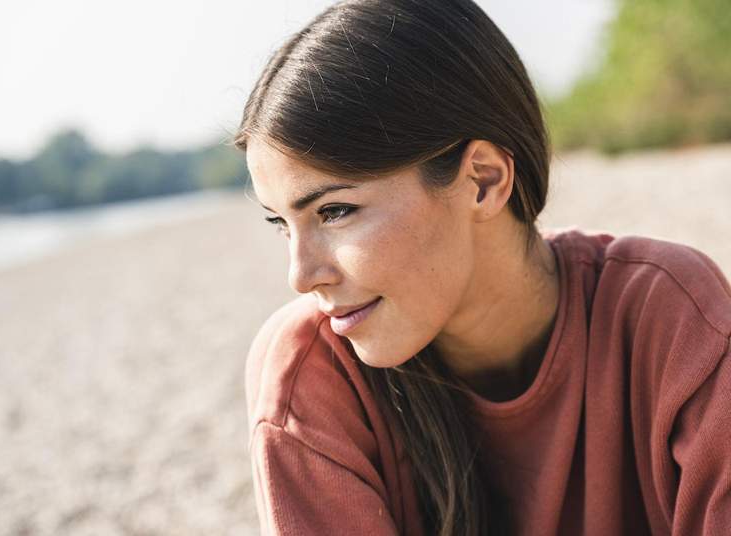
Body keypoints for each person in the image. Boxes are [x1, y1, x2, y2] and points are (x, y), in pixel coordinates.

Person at [235, 1, 731, 534]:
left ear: (484, 180)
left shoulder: (669, 317)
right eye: (282, 224)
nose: (301, 276)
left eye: (334, 211)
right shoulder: (310, 371)